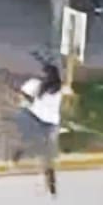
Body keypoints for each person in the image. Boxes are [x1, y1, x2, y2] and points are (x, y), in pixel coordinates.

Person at [13, 62, 64, 197]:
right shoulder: (59, 88)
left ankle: (18, 154)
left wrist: (24, 100)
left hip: (36, 118)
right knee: (48, 155)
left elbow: (22, 95)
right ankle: (51, 182)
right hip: (51, 123)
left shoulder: (37, 85)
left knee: (30, 141)